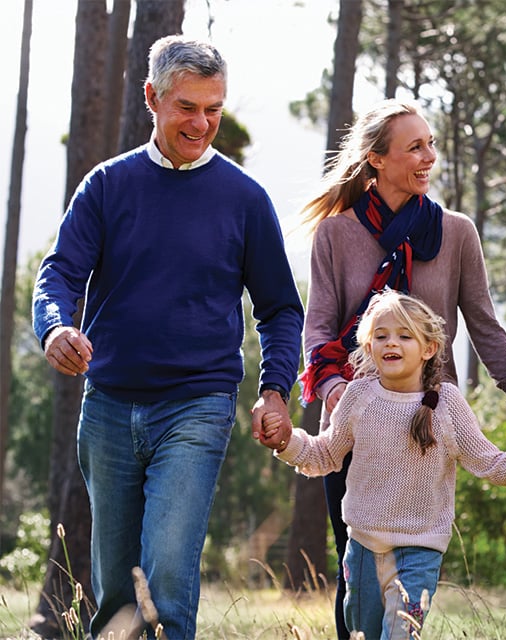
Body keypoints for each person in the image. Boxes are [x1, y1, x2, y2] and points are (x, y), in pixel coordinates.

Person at [31, 35, 303, 639]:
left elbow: (282, 308)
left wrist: (276, 389)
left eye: (214, 109)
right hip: (107, 408)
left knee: (166, 582)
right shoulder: (106, 186)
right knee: (113, 592)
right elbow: (59, 274)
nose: (202, 123)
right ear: (152, 97)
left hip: (197, 404)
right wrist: (55, 326)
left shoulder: (245, 200)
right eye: (187, 107)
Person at [295, 98, 506, 639]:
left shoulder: (456, 232)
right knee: (355, 573)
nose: (429, 157)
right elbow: (319, 327)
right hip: (355, 419)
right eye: (415, 147)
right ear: (377, 159)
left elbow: (485, 325)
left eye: (431, 144)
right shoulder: (335, 234)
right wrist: (335, 394)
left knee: (414, 569)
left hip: (426, 422)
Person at [259, 291, 506, 640]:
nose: (392, 343)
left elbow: (493, 465)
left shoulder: (447, 405)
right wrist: (285, 441)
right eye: (381, 335)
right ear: (369, 345)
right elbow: (325, 455)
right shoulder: (358, 397)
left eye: (405, 336)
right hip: (362, 551)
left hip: (418, 552)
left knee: (401, 636)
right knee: (362, 635)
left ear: (429, 348)